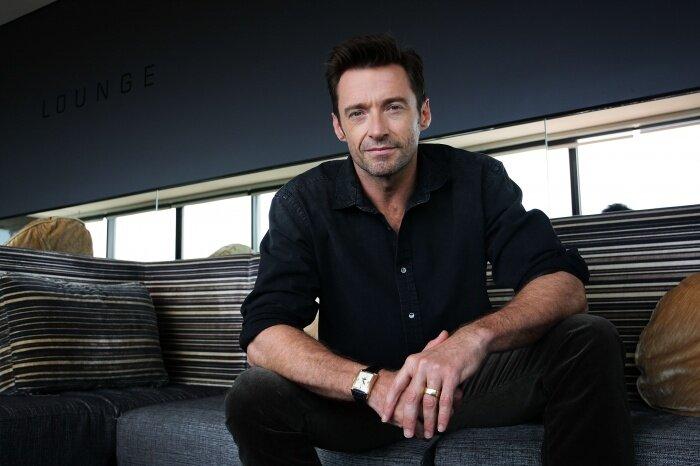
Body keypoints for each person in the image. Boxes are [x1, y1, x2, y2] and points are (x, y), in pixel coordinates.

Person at [225, 33, 634, 465]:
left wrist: (472, 340)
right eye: (358, 113)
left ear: (423, 112)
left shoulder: (477, 179)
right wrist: (370, 383)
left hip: (469, 387)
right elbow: (263, 335)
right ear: (339, 127)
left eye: (393, 107)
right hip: (362, 404)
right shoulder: (302, 203)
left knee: (589, 338)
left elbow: (564, 285)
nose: (376, 129)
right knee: (254, 394)